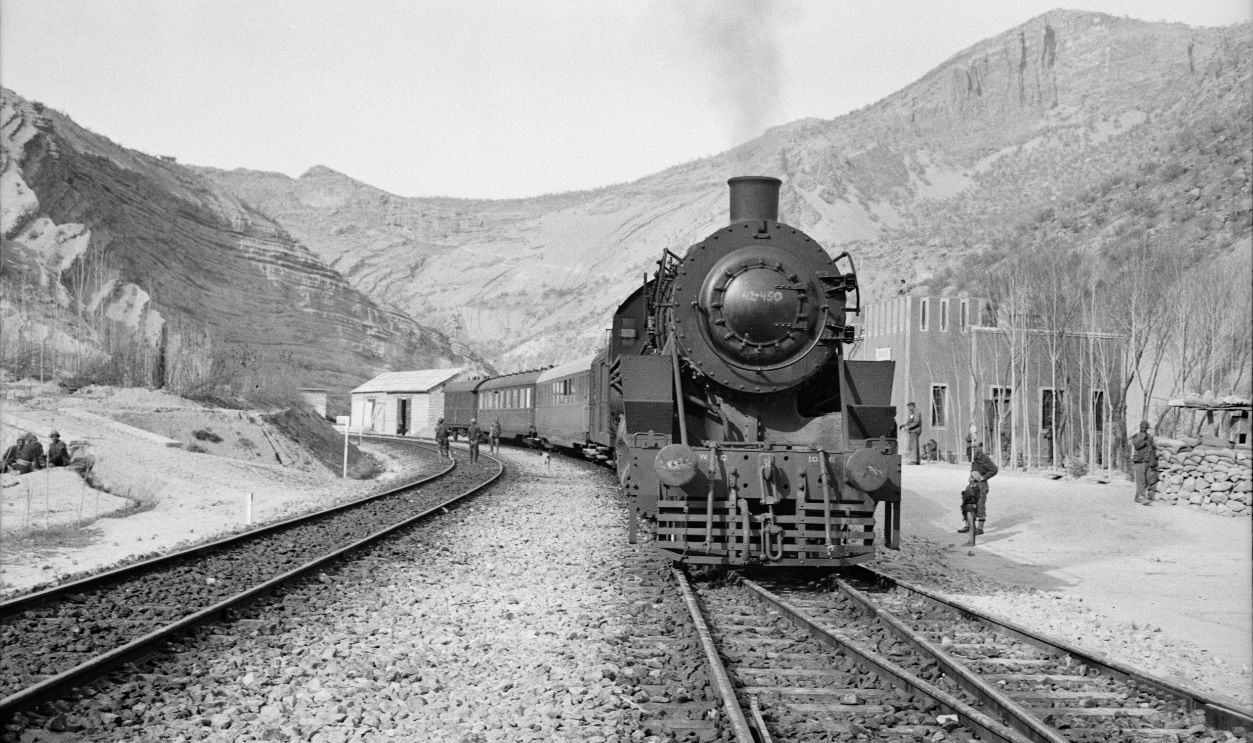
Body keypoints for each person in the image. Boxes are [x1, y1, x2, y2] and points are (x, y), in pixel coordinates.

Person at [959, 441, 998, 535]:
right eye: (973, 447)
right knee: (966, 503)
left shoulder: (984, 458)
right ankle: (968, 525)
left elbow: (994, 469)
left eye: (976, 447)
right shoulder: (975, 458)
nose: (974, 449)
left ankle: (980, 528)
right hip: (972, 484)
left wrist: (983, 477)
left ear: (981, 447)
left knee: (980, 505)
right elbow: (974, 471)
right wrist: (970, 477)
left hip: (981, 485)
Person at [1130, 420, 1156, 505]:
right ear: (1140, 427)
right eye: (1142, 427)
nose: (1144, 429)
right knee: (1141, 479)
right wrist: (1143, 438)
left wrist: (1152, 461)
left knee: (1148, 479)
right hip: (1139, 460)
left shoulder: (1150, 437)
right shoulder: (1135, 436)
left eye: (1145, 427)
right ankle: (1142, 497)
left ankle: (1138, 496)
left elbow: (1152, 449)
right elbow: (1137, 446)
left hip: (1148, 460)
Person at [959, 472, 981, 544]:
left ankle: (971, 542)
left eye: (971, 477)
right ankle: (971, 541)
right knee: (970, 523)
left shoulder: (974, 486)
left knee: (971, 524)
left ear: (974, 479)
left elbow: (971, 497)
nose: (969, 478)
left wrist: (964, 494)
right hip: (969, 506)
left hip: (970, 507)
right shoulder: (972, 485)